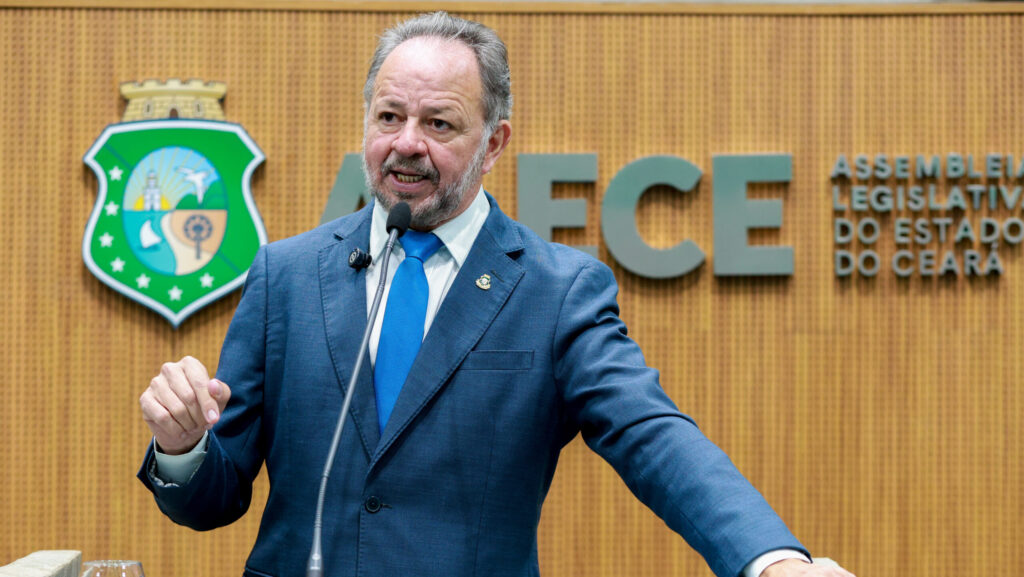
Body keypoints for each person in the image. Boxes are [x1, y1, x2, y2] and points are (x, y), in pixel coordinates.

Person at [138, 12, 854, 577]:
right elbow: (212, 500)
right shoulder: (286, 275)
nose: (406, 142)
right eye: (389, 117)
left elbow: (651, 433)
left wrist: (770, 560)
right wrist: (183, 445)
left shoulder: (557, 291)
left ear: (495, 142)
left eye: (439, 123)